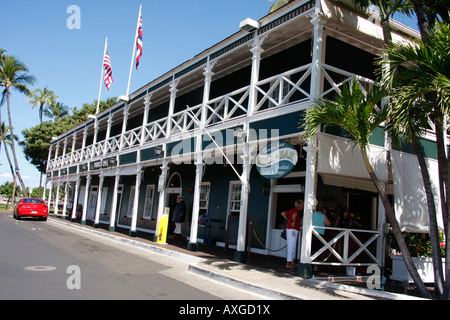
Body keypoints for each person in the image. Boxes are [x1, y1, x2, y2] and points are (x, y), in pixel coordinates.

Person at [281, 200, 304, 269]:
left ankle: (291, 261)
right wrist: (293, 222)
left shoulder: (291, 210)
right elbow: (294, 215)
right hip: (293, 229)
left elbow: (283, 213)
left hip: (289, 229)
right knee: (292, 245)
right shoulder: (296, 211)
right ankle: (289, 262)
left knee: (291, 245)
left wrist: (288, 219)